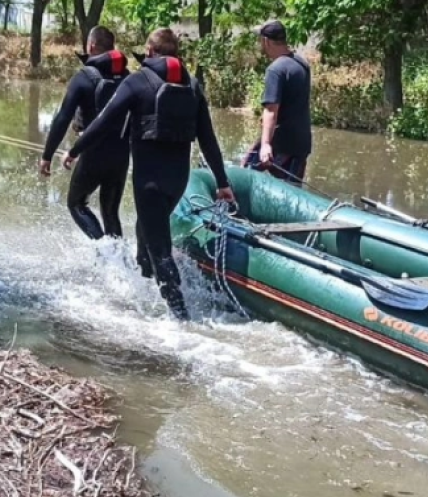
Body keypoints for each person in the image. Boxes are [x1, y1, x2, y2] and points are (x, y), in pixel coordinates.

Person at [61, 28, 235, 321]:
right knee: (145, 235)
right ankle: (142, 293)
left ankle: (181, 320)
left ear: (150, 52)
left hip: (149, 183)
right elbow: (209, 140)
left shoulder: (137, 81)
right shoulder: (192, 86)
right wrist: (222, 183)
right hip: (177, 181)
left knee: (159, 250)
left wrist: (75, 149)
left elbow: (104, 122)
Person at [39, 26, 131, 240]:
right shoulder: (128, 77)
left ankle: (106, 253)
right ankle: (121, 262)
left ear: (91, 46)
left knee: (76, 204)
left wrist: (47, 155)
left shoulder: (83, 77)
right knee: (110, 212)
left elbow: (62, 119)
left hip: (93, 152)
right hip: (121, 154)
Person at [242, 19, 312, 186]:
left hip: (279, 144)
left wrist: (266, 144)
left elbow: (271, 110)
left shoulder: (275, 69)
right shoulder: (301, 64)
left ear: (266, 41)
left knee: (244, 175)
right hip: (302, 142)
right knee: (293, 191)